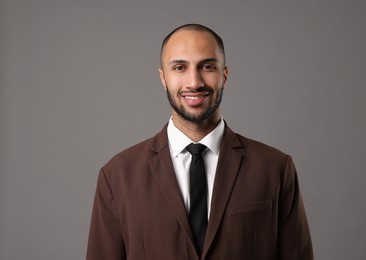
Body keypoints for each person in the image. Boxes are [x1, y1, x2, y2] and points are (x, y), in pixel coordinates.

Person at [86, 24, 314, 260]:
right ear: (163, 78)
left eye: (207, 66)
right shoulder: (117, 175)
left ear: (224, 76)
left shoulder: (275, 168)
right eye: (179, 67)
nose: (194, 82)